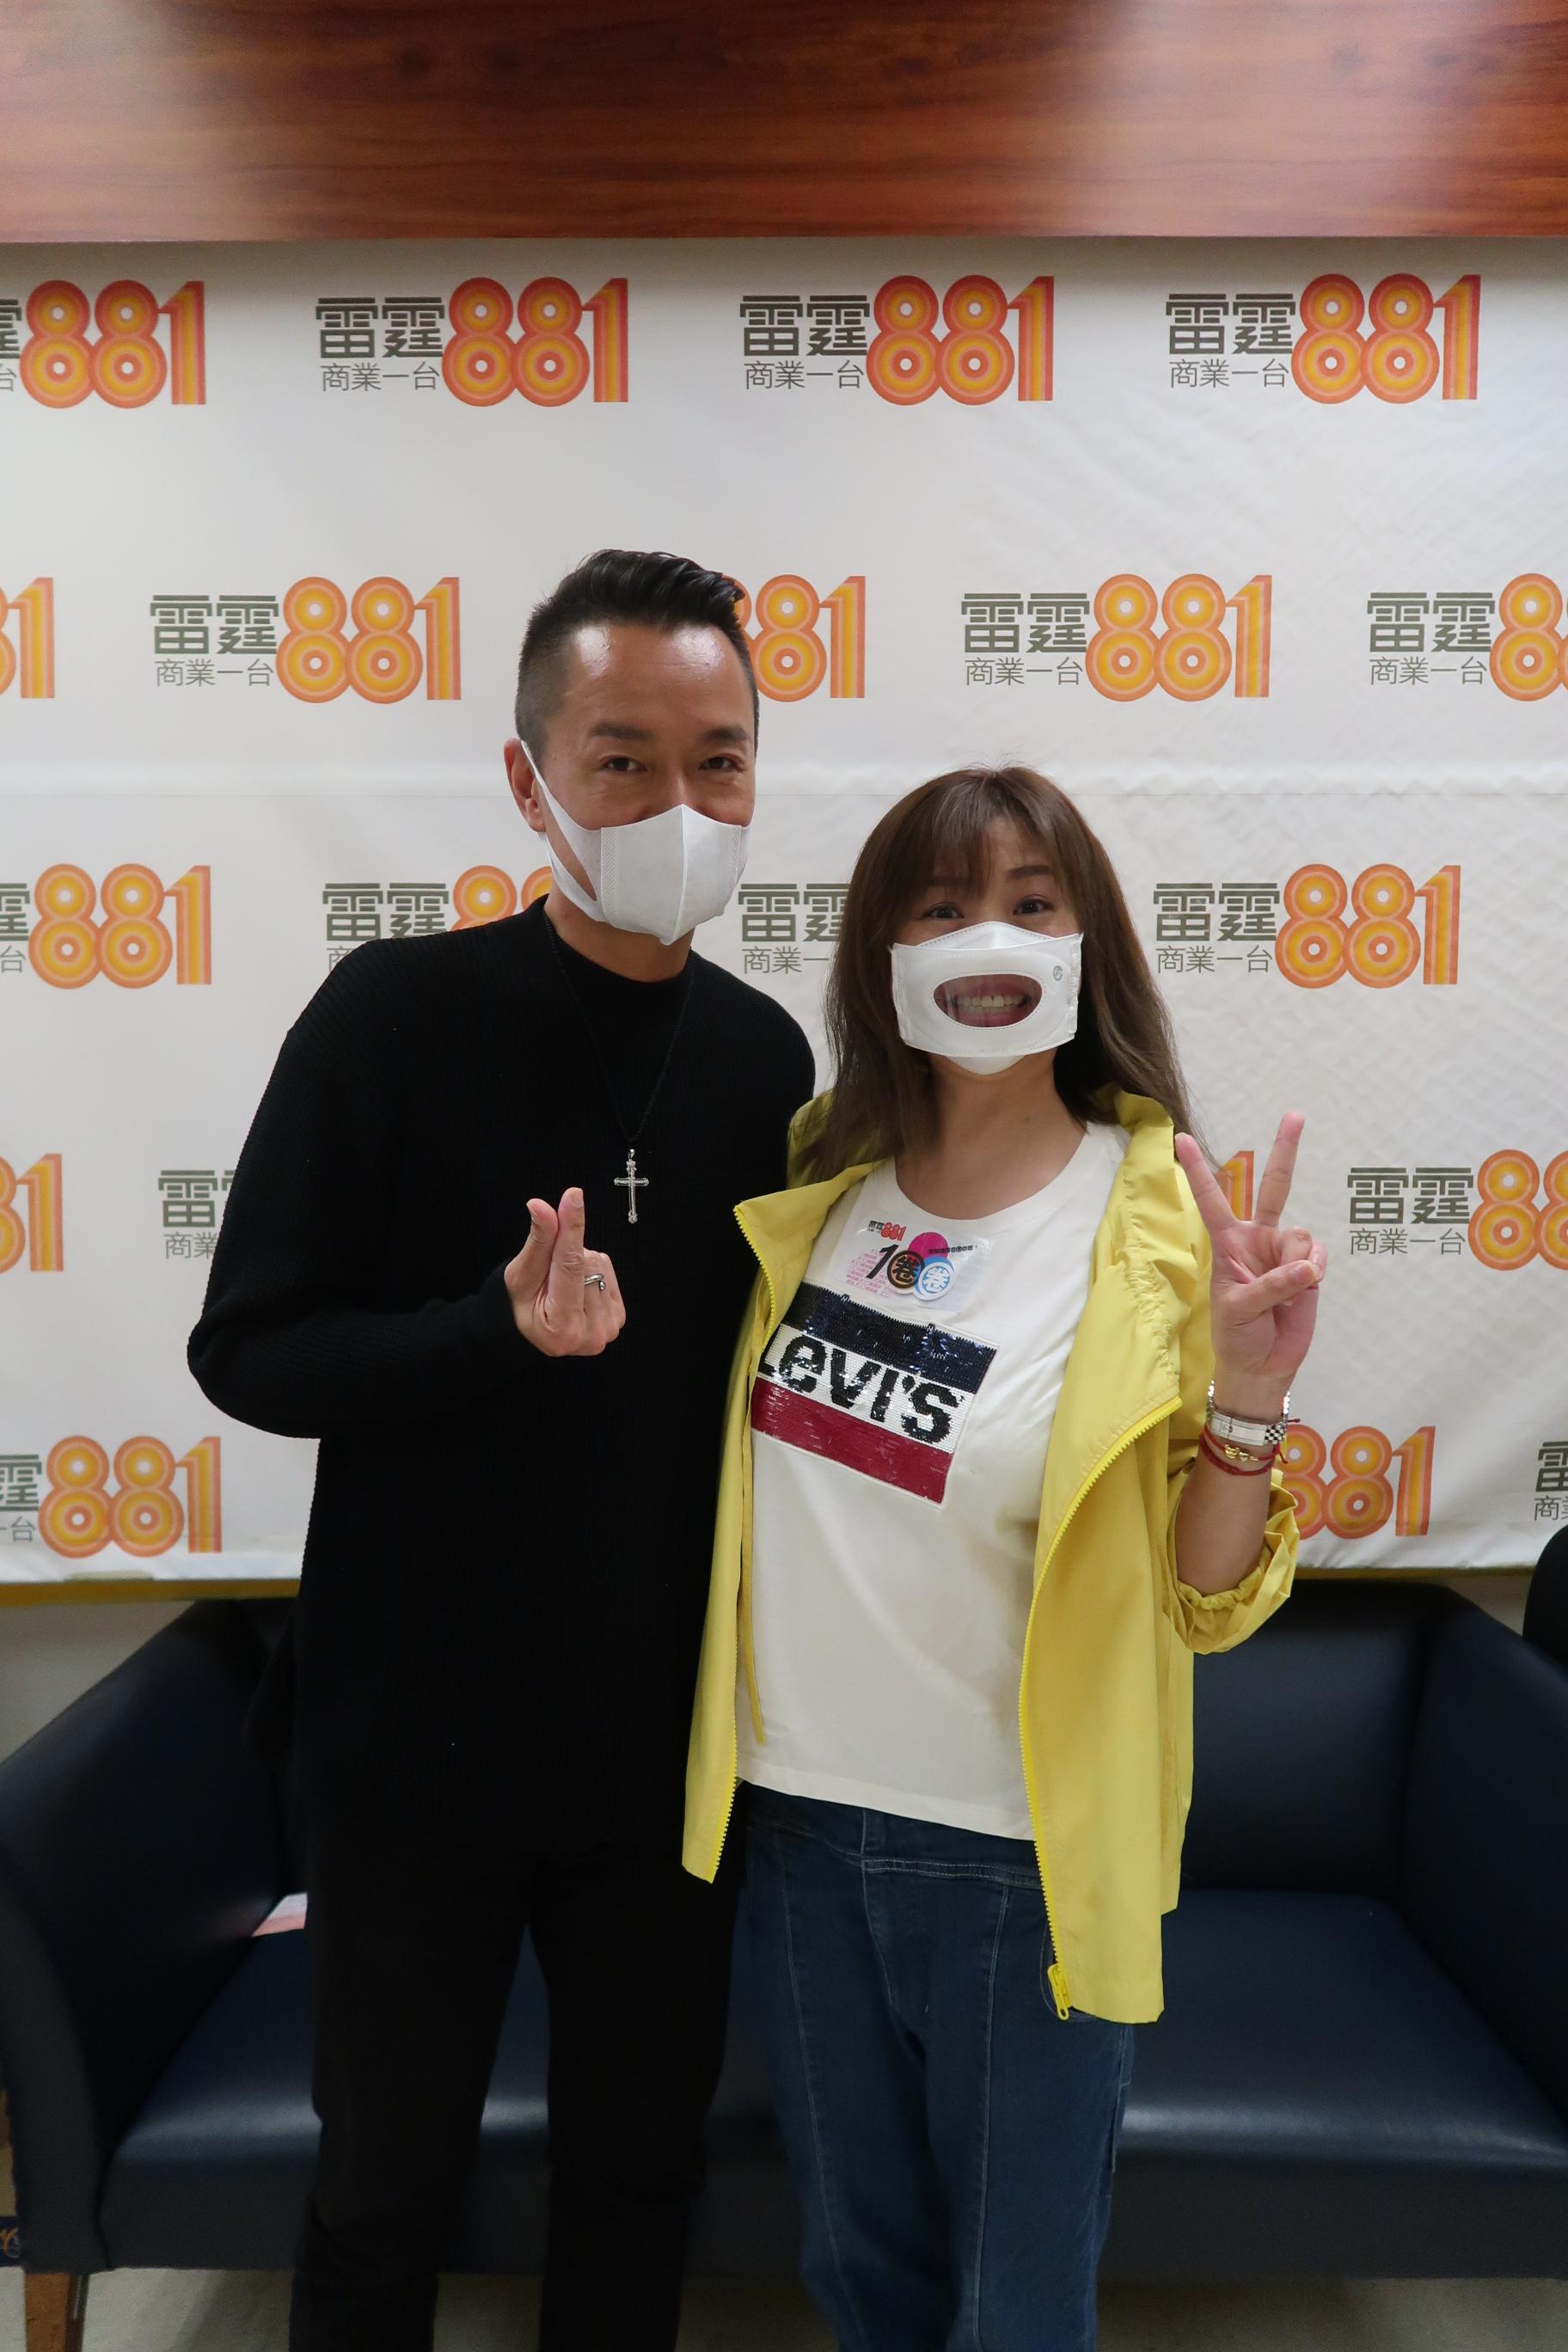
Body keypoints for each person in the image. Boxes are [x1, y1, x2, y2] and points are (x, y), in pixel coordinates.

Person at [188, 549, 815, 2352]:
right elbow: (249, 1348)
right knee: (381, 2195)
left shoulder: (768, 1061)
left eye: (719, 761)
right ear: (529, 781)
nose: (679, 803)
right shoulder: (391, 1018)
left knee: (636, 2179)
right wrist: (490, 1332)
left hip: (665, 1765)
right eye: (624, 760)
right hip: (410, 1759)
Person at [683, 764, 1321, 2352]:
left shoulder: (1163, 1224)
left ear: (1088, 945)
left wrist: (1249, 1400)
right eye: (942, 904)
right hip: (799, 1831)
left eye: (1034, 903)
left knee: (1017, 2313)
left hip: (1018, 1862)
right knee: (861, 2283)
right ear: (880, 954)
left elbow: (1202, 1600)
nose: (991, 938)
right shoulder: (815, 1184)